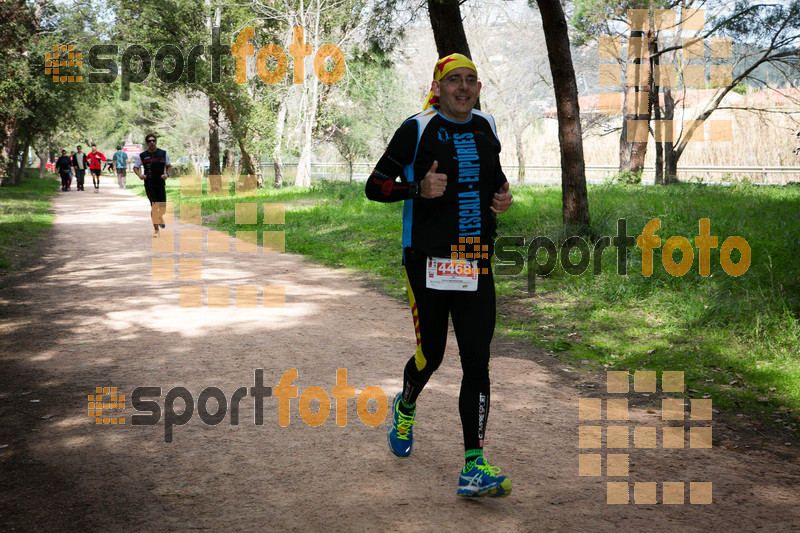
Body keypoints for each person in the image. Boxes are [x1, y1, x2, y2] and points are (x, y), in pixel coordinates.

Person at [365, 53, 513, 498]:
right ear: (439, 86)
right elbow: (375, 186)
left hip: (473, 258)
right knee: (432, 354)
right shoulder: (418, 127)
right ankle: (406, 404)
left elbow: (497, 181)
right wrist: (417, 189)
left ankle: (474, 465)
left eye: (471, 80)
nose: (463, 88)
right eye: (454, 81)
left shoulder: (486, 126)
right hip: (426, 260)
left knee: (477, 359)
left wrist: (502, 199)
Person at [133, 134, 171, 238]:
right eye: (149, 141)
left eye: (153, 140)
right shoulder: (143, 155)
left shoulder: (163, 153)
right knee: (154, 206)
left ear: (156, 142)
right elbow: (136, 167)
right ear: (147, 143)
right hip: (149, 184)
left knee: (162, 207)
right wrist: (140, 175)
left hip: (160, 183)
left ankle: (160, 217)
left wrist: (167, 174)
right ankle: (156, 230)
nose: (152, 142)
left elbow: (169, 166)